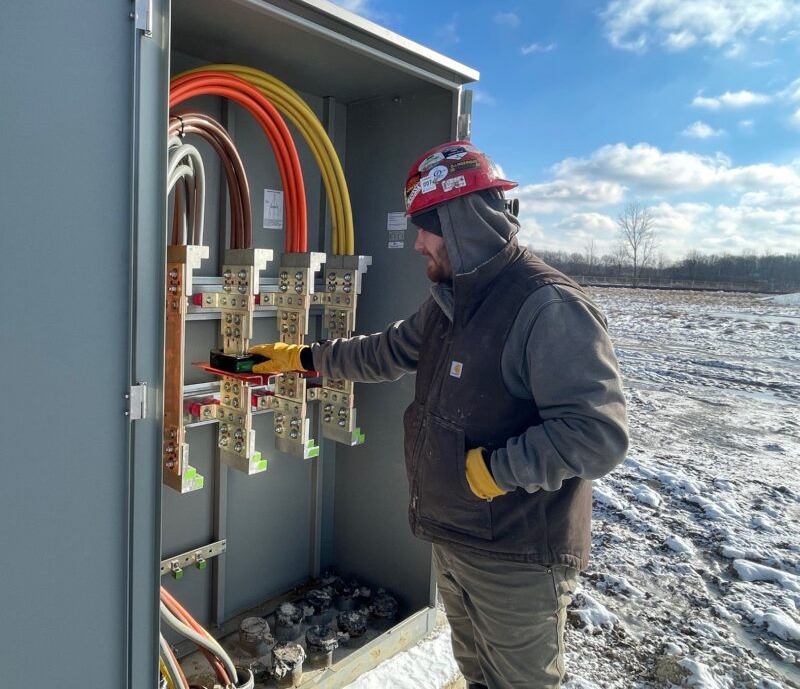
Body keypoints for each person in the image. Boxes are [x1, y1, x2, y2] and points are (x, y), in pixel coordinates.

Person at [251, 140, 629, 689]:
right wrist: (301, 358)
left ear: (461, 221)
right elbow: (384, 352)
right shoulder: (452, 301)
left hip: (518, 557)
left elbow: (597, 434)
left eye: (424, 228)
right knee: (477, 674)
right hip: (456, 537)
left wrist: (493, 472)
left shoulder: (547, 306)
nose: (417, 244)